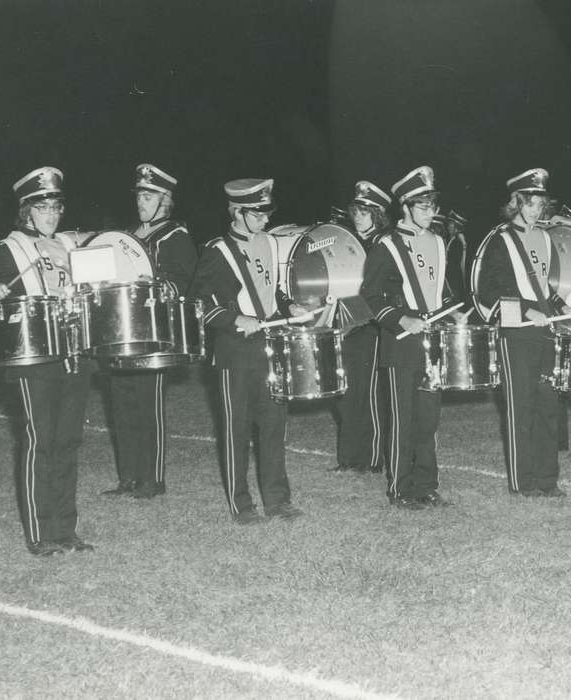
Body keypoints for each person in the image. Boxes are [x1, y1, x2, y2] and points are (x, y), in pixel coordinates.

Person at [0, 166, 96, 555]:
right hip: (33, 357)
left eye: (56, 207)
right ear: (27, 210)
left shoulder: (72, 246)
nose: (51, 214)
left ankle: (65, 528)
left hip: (74, 354)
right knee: (39, 439)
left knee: (68, 441)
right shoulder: (8, 249)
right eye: (43, 207)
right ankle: (39, 533)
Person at [192, 178, 307, 524]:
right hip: (235, 353)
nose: (265, 220)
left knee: (274, 425)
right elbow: (199, 303)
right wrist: (235, 319)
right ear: (237, 212)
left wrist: (291, 308)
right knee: (237, 429)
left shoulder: (270, 244)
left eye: (267, 213)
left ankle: (278, 500)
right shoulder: (217, 251)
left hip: (270, 346)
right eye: (258, 214)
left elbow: (275, 290)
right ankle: (241, 504)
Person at [360, 165, 454, 508]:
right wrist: (402, 320)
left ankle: (427, 485)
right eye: (423, 207)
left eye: (433, 206)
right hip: (401, 345)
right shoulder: (387, 245)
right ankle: (400, 489)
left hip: (432, 344)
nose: (431, 213)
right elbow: (370, 297)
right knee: (403, 419)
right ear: (407, 207)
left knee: (428, 419)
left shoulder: (439, 243)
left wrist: (452, 310)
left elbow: (441, 290)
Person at [101, 164, 196, 499]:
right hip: (120, 332)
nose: (141, 201)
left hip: (153, 334)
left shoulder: (175, 236)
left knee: (147, 405)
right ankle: (128, 477)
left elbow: (184, 281)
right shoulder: (126, 236)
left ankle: (152, 479)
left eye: (148, 195)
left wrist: (157, 283)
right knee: (122, 404)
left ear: (165, 200)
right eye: (139, 195)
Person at [475, 168, 570, 497]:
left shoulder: (545, 237)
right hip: (516, 333)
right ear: (516, 203)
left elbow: (545, 286)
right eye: (529, 203)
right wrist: (527, 309)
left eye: (539, 203)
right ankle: (523, 482)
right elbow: (487, 291)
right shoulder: (500, 240)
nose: (535, 209)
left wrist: (561, 305)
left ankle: (548, 479)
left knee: (548, 404)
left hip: (544, 330)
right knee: (521, 406)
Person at [332, 180, 391, 475]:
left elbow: (375, 291)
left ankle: (371, 458)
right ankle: (348, 458)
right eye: (356, 210)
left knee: (369, 394)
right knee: (346, 393)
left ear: (378, 214)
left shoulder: (383, 243)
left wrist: (351, 321)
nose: (358, 216)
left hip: (370, 325)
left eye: (365, 212)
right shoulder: (347, 243)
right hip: (347, 325)